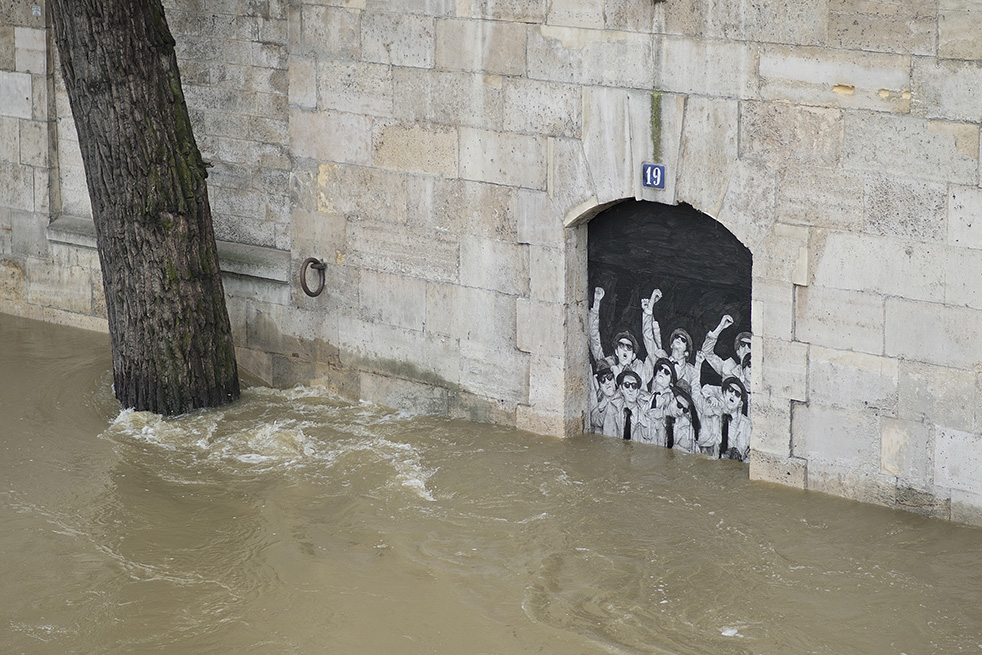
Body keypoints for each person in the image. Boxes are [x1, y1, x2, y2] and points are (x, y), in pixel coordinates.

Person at [640, 285, 698, 392]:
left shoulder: (691, 371)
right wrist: (650, 306)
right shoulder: (660, 359)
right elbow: (648, 337)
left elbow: (696, 394)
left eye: (683, 340)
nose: (679, 339)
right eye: (676, 337)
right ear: (671, 345)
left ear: (687, 353)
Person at [589, 286, 645, 380]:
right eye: (621, 345)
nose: (625, 349)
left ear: (633, 356)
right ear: (616, 351)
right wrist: (596, 303)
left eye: (629, 347)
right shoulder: (608, 366)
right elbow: (594, 339)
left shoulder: (640, 370)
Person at [700, 314, 751, 395]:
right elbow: (706, 353)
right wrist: (720, 327)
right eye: (742, 344)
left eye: (750, 345)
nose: (746, 348)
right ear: (737, 351)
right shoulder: (729, 367)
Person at [603, 369, 650, 442]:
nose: (631, 389)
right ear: (621, 389)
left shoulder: (645, 413)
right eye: (627, 385)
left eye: (634, 386)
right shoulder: (613, 409)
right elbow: (607, 439)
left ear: (638, 391)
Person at [645, 357, 676, 447]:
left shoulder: (671, 398)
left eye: (666, 372)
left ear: (671, 382)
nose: (662, 372)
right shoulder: (648, 398)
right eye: (660, 368)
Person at [666, 381, 700, 454]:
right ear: (672, 398)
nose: (681, 412)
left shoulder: (684, 425)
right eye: (679, 405)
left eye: (684, 410)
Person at [589, 361, 620, 437]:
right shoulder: (600, 406)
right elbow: (595, 419)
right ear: (600, 386)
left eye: (609, 378)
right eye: (602, 380)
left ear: (614, 380)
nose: (607, 382)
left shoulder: (622, 397)